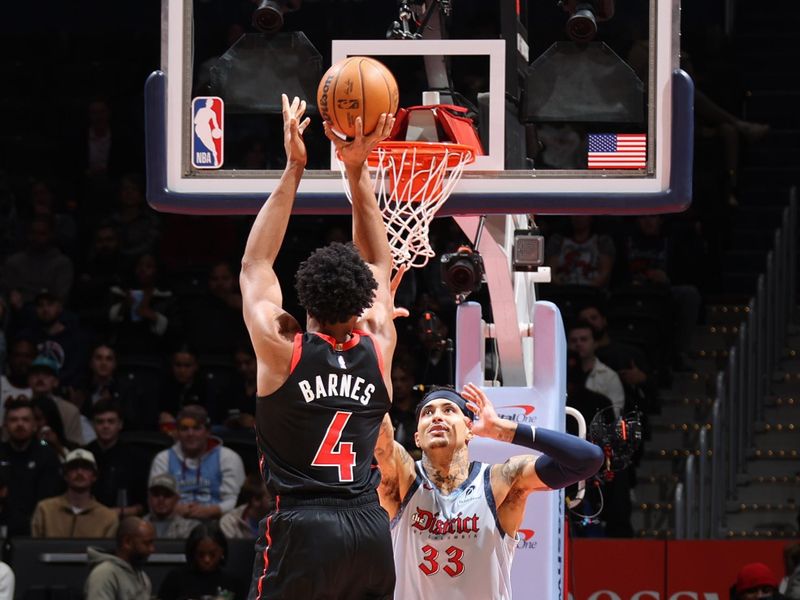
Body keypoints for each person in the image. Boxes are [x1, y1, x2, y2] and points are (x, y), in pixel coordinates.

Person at [240, 95, 397, 599]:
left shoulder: (280, 345)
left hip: (305, 526)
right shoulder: (379, 341)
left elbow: (255, 266)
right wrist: (357, 170)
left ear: (303, 299)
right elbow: (379, 262)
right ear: (365, 301)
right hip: (370, 530)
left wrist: (295, 167)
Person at [375, 384, 603, 600]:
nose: (436, 417)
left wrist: (503, 430)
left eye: (448, 410)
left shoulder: (498, 483)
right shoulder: (403, 480)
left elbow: (588, 459)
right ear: (417, 437)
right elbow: (375, 422)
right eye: (427, 413)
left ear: (469, 430)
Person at [148, 404, 245, 520]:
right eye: (184, 429)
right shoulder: (163, 458)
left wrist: (211, 510)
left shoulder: (228, 457)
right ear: (177, 433)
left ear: (208, 431)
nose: (190, 434)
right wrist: (174, 508)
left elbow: (235, 500)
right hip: (173, 521)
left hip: (217, 521)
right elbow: (153, 498)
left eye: (196, 428)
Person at [0, 398, 62, 535]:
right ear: (5, 425)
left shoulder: (46, 455)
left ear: (34, 425)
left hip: (37, 529)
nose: (20, 424)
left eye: (25, 420)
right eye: (14, 420)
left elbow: (49, 500)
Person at [30, 448, 118, 538]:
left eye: (86, 467)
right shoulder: (45, 510)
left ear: (94, 476)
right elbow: (35, 548)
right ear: (65, 475)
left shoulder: (108, 517)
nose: (79, 472)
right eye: (73, 467)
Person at [85, 399, 149, 517]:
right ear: (93, 425)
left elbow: (145, 504)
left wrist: (120, 512)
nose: (105, 426)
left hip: (125, 520)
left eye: (111, 421)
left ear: (120, 424)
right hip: (88, 519)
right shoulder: (84, 456)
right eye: (100, 422)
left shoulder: (137, 458)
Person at [159, 522, 248, 600]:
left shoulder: (234, 583)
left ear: (222, 552)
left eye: (212, 554)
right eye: (201, 554)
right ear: (192, 552)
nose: (207, 559)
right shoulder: (175, 579)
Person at [85, 516, 156, 600]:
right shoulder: (104, 574)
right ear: (127, 542)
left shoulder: (143, 577)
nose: (152, 549)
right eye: (146, 543)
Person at [567, 321, 626, 418]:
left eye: (583, 339)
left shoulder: (609, 376)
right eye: (574, 340)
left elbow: (615, 414)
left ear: (595, 343)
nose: (578, 344)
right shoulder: (560, 375)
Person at [142, 473, 200, 539]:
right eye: (156, 494)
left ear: (176, 499)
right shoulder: (138, 526)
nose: (161, 499)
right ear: (149, 498)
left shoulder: (190, 528)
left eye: (167, 495)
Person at [219, 473, 273, 539]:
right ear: (256, 500)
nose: (277, 499)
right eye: (271, 496)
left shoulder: (282, 519)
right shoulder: (230, 522)